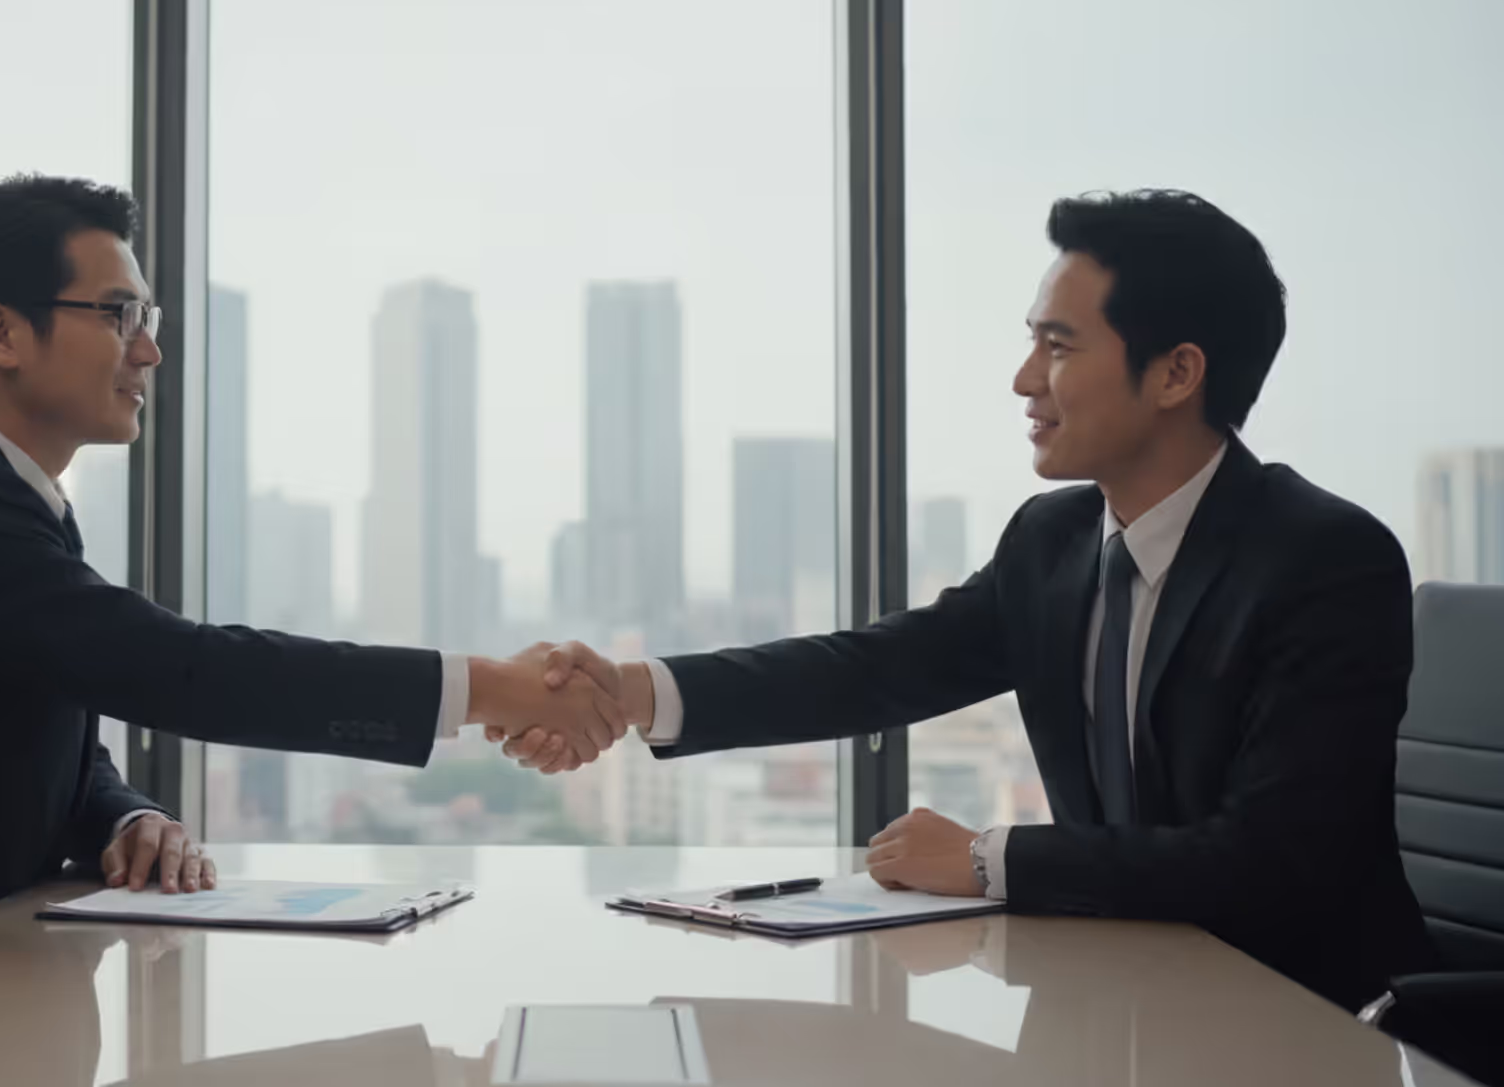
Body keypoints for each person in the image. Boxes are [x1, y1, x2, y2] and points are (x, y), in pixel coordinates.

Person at [509, 190, 1434, 1009]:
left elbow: (1270, 863)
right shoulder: (1054, 541)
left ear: (1176, 373)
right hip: (1112, 998)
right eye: (1032, 340)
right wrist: (633, 689)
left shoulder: (1323, 560)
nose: (1025, 379)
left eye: (1058, 345)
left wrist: (989, 857)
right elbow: (878, 668)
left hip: (1301, 1023)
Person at [0, 174, 620, 988]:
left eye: (147, 314)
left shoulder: (4, 495)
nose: (150, 350)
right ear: (1, 333)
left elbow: (48, 732)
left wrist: (126, 818)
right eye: (119, 314)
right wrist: (490, 687)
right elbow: (182, 669)